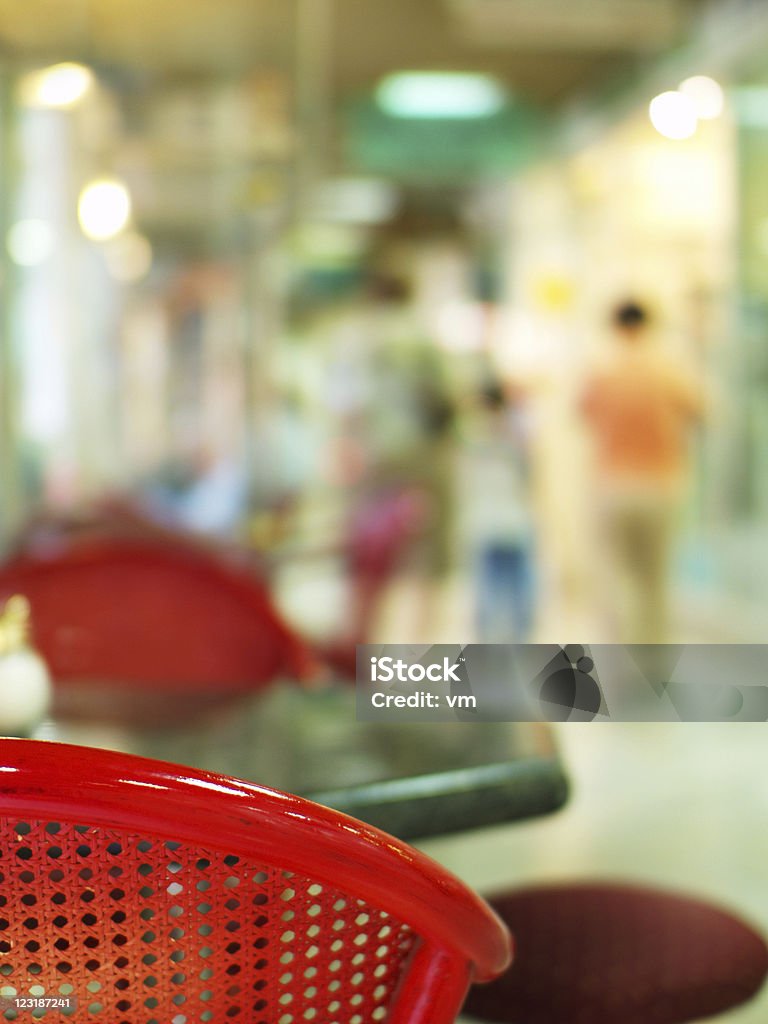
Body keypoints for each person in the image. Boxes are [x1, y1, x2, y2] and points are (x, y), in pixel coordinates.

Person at [581, 300, 705, 643]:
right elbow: (701, 411)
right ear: (649, 326)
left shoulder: (602, 372)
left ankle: (619, 663)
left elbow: (583, 413)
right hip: (659, 486)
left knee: (615, 581)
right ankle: (652, 667)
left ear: (615, 327)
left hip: (613, 485)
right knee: (655, 583)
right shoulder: (669, 371)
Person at [460, 380, 535, 642]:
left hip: (487, 520)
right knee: (516, 588)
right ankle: (517, 640)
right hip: (513, 518)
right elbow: (529, 473)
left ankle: (489, 640)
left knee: (489, 587)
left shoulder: (472, 434)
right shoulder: (517, 434)